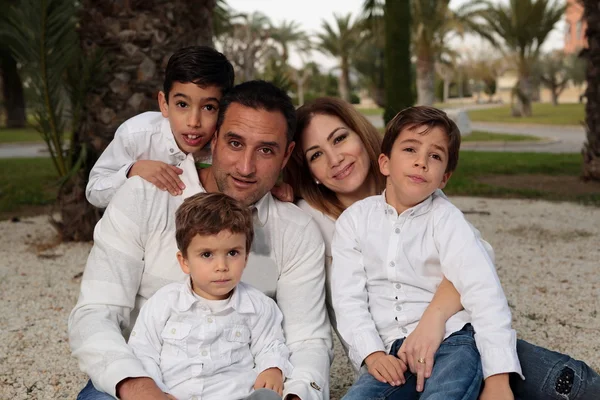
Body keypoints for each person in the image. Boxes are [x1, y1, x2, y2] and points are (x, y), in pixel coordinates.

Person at [284, 97, 600, 400]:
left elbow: (479, 269)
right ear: (308, 170)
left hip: (453, 335)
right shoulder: (310, 220)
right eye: (316, 154)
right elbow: (346, 301)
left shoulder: (424, 192)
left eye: (339, 139)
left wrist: (433, 320)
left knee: (563, 382)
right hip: (391, 357)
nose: (335, 158)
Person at [69, 80, 332, 400]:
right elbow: (97, 312)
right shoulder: (143, 197)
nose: (246, 167)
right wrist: (137, 386)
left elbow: (307, 341)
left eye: (266, 150)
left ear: (287, 153)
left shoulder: (295, 229)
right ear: (215, 139)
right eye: (235, 143)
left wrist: (296, 395)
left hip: (234, 387)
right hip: (141, 377)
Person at [332, 106, 521, 399]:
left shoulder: (447, 220)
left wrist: (498, 379)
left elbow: (484, 291)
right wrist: (372, 355)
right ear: (384, 163)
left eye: (434, 156)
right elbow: (348, 299)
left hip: (452, 343)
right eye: (410, 149)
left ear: (444, 178)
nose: (421, 162)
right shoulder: (354, 221)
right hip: (390, 355)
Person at [128, 192, 292, 400]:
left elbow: (271, 344)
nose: (222, 267)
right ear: (184, 261)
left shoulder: (258, 306)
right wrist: (159, 393)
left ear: (246, 257)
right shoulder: (163, 304)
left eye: (233, 253)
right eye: (207, 255)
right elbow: (143, 352)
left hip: (236, 395)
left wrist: (272, 368)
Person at [85, 46, 234, 208]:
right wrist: (131, 171)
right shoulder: (135, 135)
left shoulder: (229, 147)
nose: (193, 122)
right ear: (164, 104)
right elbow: (93, 191)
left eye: (209, 107)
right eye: (182, 104)